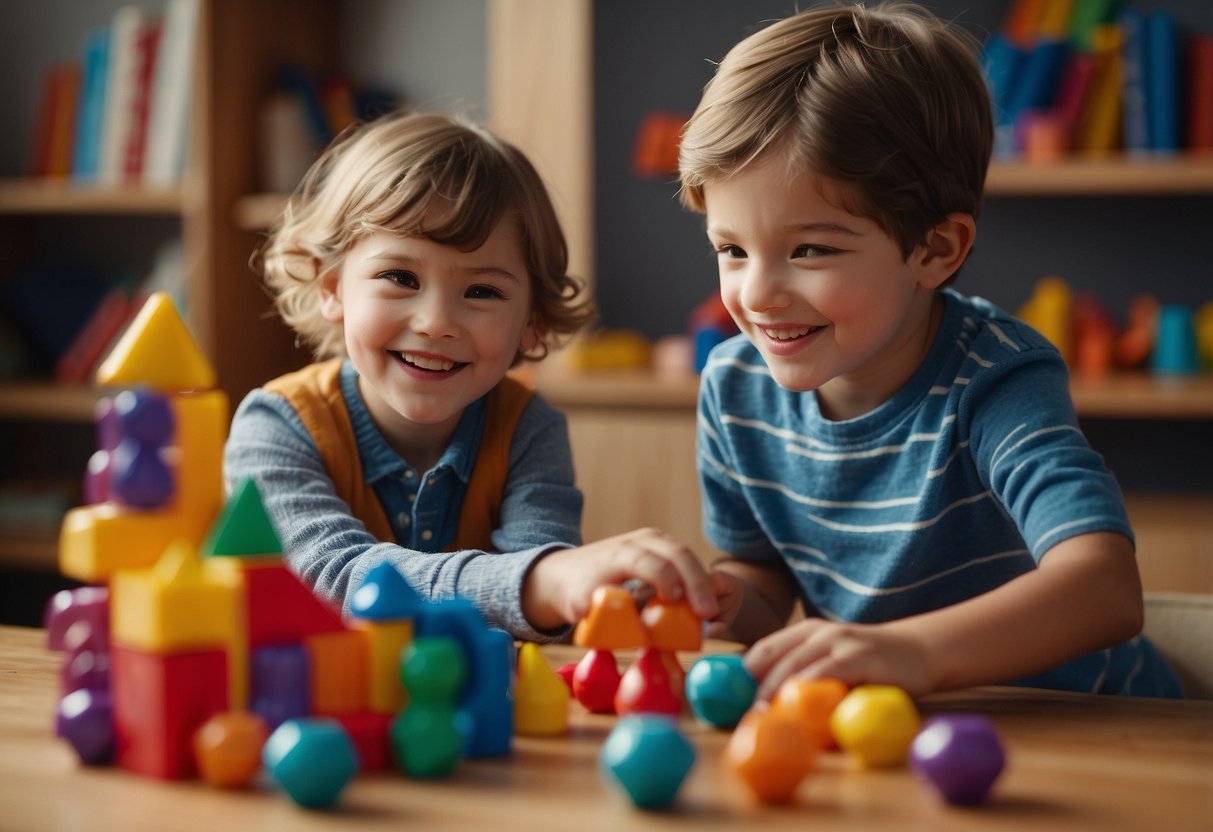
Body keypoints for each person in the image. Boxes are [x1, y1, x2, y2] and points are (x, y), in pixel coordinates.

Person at [678, 3, 1182, 698]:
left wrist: (908, 654)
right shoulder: (733, 390)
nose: (757, 293)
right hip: (902, 728)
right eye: (730, 250)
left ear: (934, 250)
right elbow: (763, 578)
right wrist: (721, 598)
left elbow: (1104, 589)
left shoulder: (996, 379)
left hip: (1083, 721)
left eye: (810, 249)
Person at [225, 111, 718, 641]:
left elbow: (542, 618)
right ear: (333, 288)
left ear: (532, 322)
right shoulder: (276, 425)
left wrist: (580, 588)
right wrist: (541, 583)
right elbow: (330, 580)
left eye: (482, 291)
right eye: (400, 277)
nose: (436, 323)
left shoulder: (528, 429)